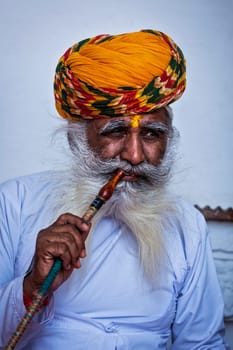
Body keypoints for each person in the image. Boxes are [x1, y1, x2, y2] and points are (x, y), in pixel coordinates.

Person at [0, 29, 228, 349]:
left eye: (150, 134)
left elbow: (201, 343)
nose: (134, 156)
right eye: (116, 131)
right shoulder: (15, 203)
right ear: (76, 138)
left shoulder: (186, 225)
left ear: (169, 141)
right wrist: (31, 287)